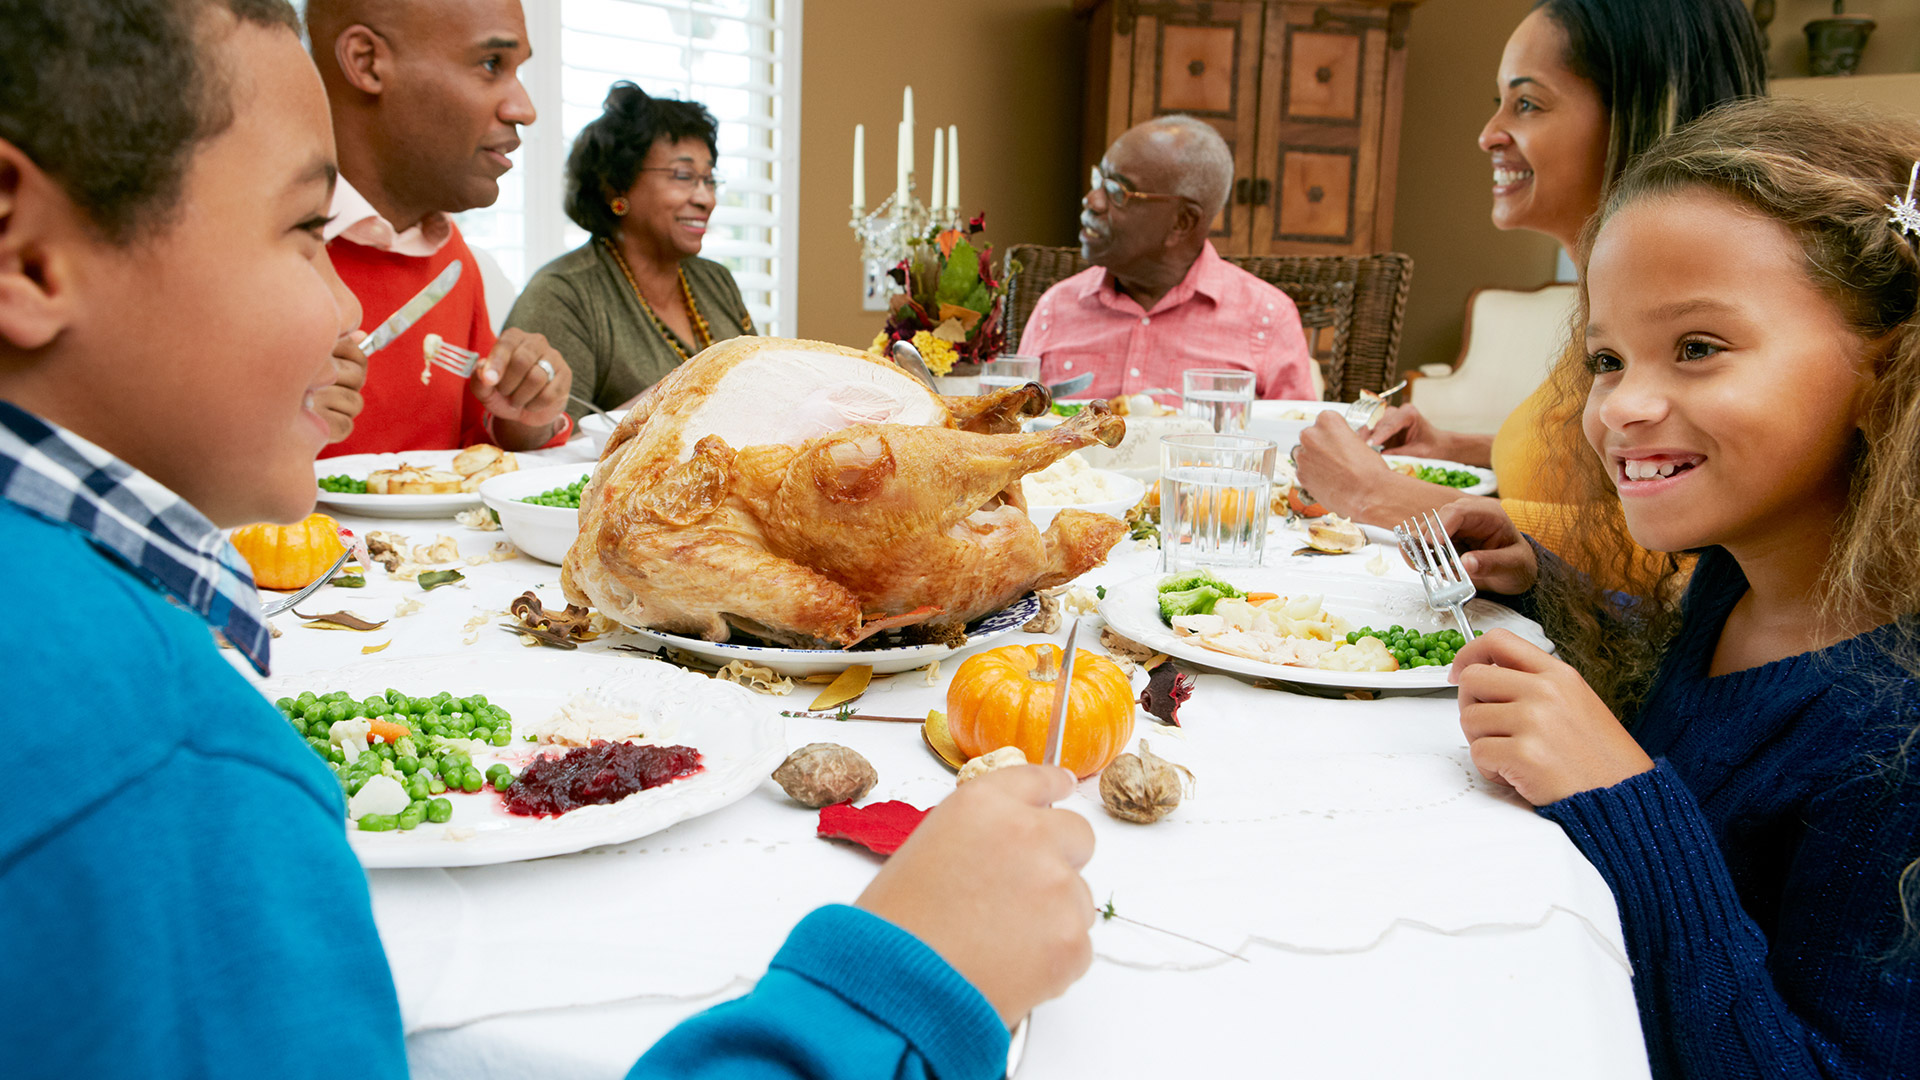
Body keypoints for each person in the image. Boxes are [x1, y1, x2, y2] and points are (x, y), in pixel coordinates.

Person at [0, 2, 1098, 1075]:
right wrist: (902, 987)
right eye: (302, 232)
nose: (350, 319)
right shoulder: (166, 770)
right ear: (29, 257)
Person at [1438, 98, 1920, 1077]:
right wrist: (1547, 585)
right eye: (1607, 360)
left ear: (1886, 365)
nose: (1623, 406)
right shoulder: (1735, 587)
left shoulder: (1896, 734)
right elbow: (1702, 719)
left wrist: (1622, 797)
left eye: (1698, 348)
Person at [1294, 0, 1766, 542]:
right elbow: (1591, 474)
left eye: (1527, 103)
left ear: (1642, 110)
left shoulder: (1693, 307)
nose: (1489, 134)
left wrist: (1379, 496)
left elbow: (1668, 561)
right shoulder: (1603, 303)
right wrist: (1454, 448)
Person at [306, 0, 574, 456]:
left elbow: (473, 447)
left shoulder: (452, 258)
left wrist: (525, 420)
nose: (524, 109)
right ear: (366, 62)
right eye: (491, 64)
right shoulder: (251, 246)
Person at [1017, 115, 1315, 405]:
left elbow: (1297, 446)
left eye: (1116, 191)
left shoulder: (1267, 319)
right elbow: (1011, 434)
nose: (1092, 200)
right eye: (1099, 180)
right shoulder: (1054, 308)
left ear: (1182, 223)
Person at [504, 83, 756, 422]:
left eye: (709, 180)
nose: (706, 198)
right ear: (617, 187)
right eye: (683, 176)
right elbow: (546, 443)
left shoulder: (715, 280)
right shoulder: (562, 294)